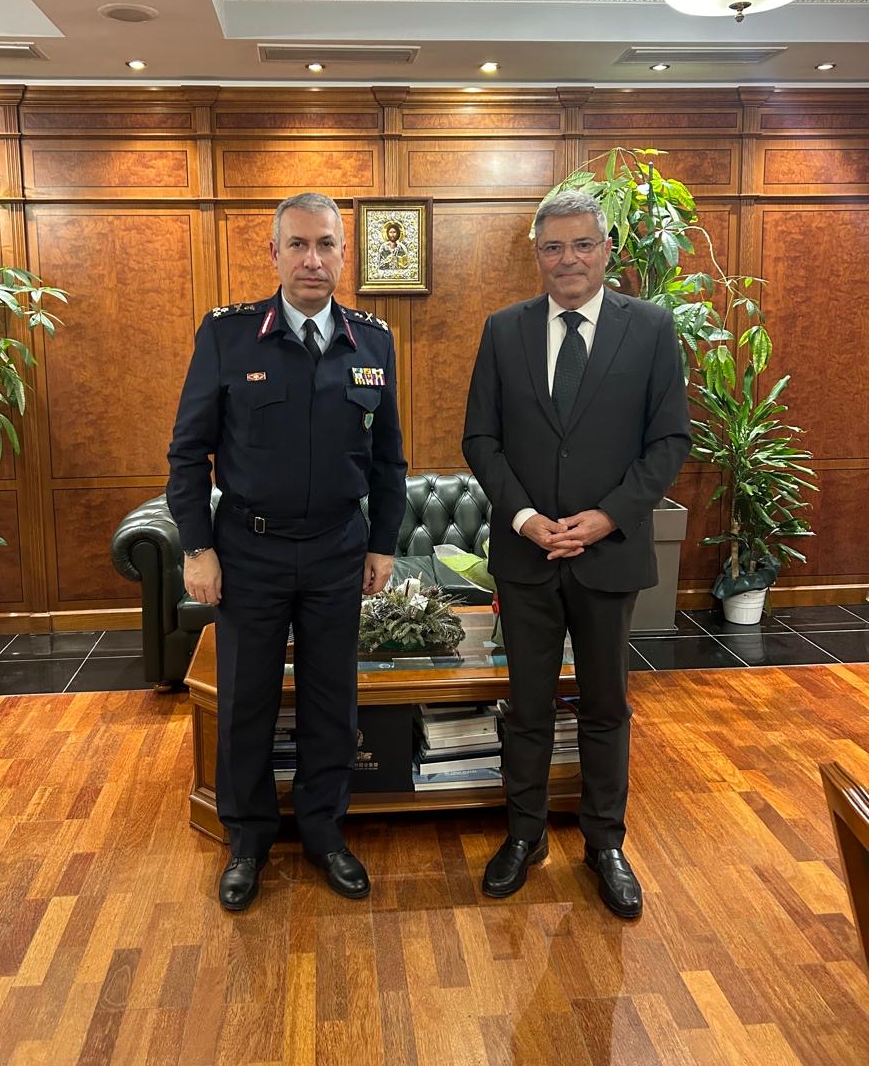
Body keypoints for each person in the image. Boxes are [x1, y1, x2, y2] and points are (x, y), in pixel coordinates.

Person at [167, 192, 407, 911]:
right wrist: (197, 547)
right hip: (250, 550)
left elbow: (389, 459)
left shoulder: (373, 343)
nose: (312, 259)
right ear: (274, 254)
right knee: (246, 701)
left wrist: (383, 543)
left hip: (338, 549)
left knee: (333, 701)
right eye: (298, 244)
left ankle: (325, 834)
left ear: (343, 255)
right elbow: (188, 454)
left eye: (326, 244)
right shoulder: (230, 336)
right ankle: (247, 841)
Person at [462, 189, 690, 917]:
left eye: (582, 244)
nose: (569, 259)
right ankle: (524, 836)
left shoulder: (650, 329)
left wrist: (608, 517)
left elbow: (669, 441)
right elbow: (480, 438)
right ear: (537, 255)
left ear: (606, 250)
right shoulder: (504, 330)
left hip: (608, 553)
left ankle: (605, 844)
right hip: (526, 555)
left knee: (605, 707)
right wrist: (526, 518)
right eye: (553, 247)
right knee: (527, 706)